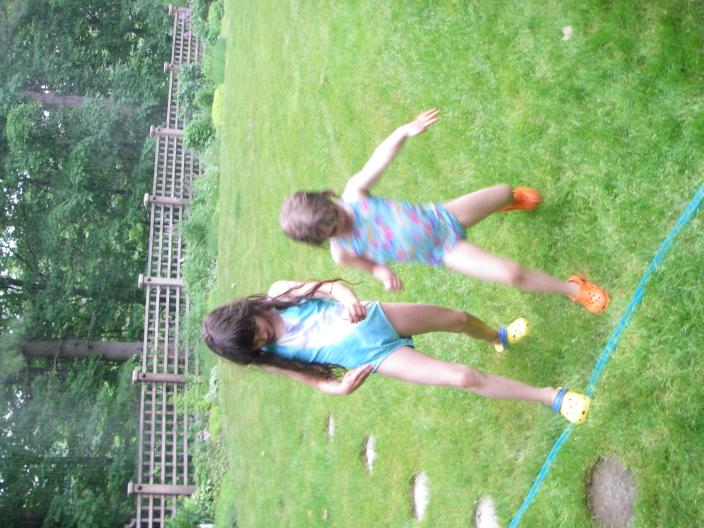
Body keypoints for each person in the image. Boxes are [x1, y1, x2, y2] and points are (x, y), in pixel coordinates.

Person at [279, 109, 609, 314]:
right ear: (321, 238)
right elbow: (371, 265)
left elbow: (380, 158)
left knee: (502, 190)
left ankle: (507, 201)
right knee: (511, 274)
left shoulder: (354, 196)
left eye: (335, 212)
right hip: (443, 251)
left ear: (329, 199)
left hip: (443, 216)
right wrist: (383, 273)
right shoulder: (342, 252)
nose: (342, 220)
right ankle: (574, 289)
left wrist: (403, 131)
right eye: (334, 228)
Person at [202, 279, 591, 423]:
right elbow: (317, 383)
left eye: (255, 331)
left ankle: (497, 337)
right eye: (255, 345)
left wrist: (347, 297)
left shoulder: (279, 295)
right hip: (375, 358)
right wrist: (341, 388)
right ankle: (552, 397)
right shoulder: (272, 358)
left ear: (246, 312)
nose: (263, 338)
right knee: (461, 377)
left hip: (378, 318)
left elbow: (331, 288)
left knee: (456, 318)